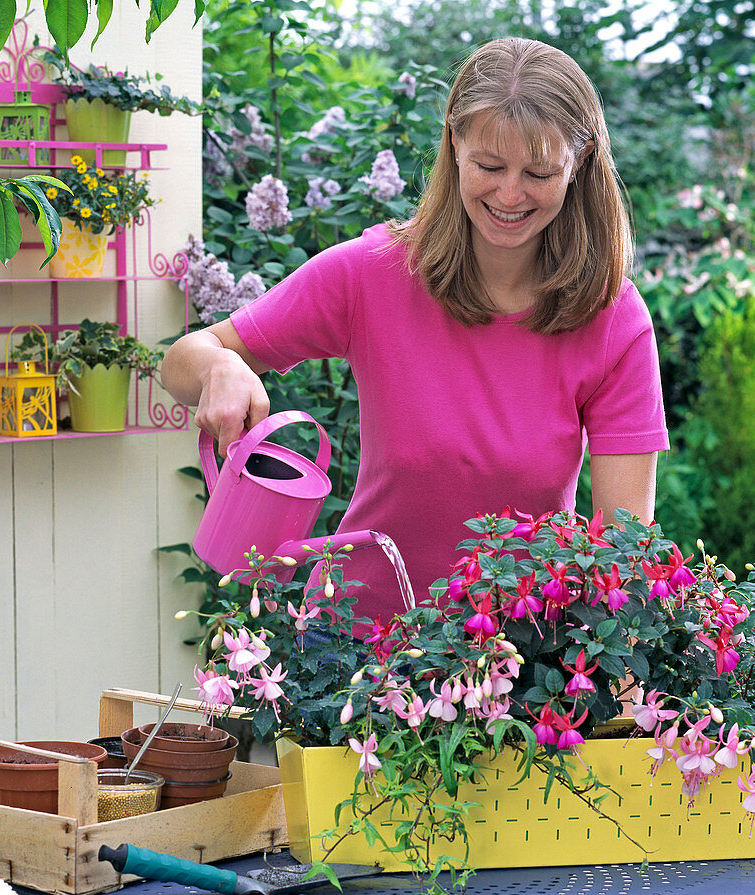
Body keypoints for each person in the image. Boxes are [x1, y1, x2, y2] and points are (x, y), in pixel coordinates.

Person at [162, 37, 669, 623]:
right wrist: (221, 365)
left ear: (577, 164)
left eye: (538, 172)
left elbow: (624, 555)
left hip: (521, 662)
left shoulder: (612, 320)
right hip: (354, 649)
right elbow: (181, 362)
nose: (509, 194)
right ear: (455, 143)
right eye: (488, 165)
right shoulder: (372, 273)